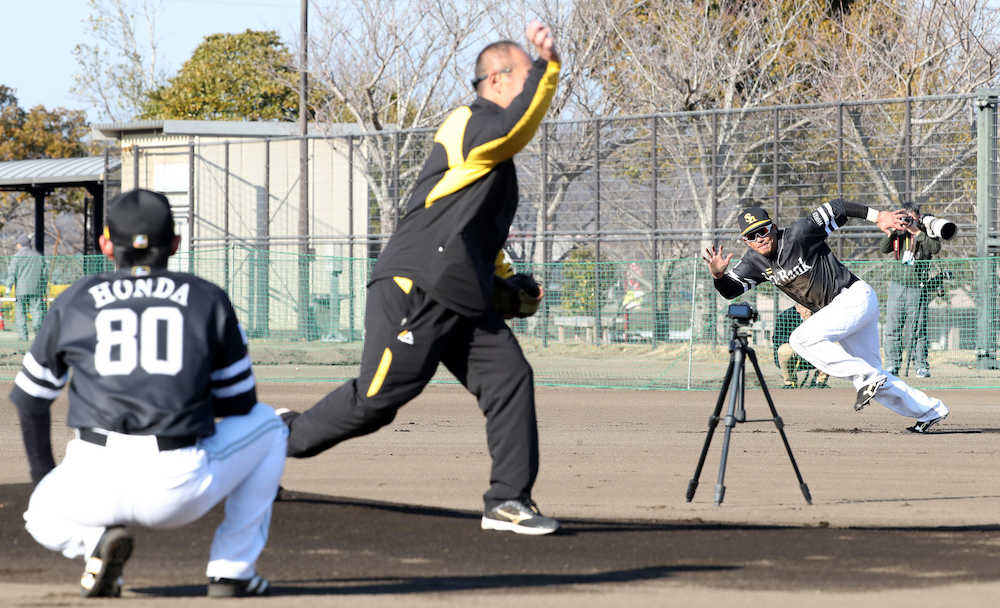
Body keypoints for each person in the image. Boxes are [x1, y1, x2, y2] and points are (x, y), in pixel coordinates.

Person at [279, 21, 561, 535]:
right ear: (497, 80)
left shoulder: (497, 160)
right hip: (417, 286)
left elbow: (475, 242)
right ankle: (268, 443)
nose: (531, 86)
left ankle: (508, 500)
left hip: (460, 293)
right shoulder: (471, 122)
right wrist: (548, 66)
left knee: (510, 377)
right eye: (524, 74)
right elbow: (521, 124)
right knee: (375, 402)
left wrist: (509, 291)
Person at [11, 189, 287, 598]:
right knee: (269, 424)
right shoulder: (207, 298)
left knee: (40, 513)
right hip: (176, 487)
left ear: (106, 245)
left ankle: (94, 545)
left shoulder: (75, 300)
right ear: (175, 244)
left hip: (90, 482)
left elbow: (30, 399)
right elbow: (239, 406)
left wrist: (43, 479)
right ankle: (232, 570)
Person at [703, 200, 950, 433]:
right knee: (876, 380)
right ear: (745, 241)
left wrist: (879, 216)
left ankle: (867, 377)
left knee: (801, 339)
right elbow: (730, 291)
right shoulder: (754, 262)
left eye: (763, 230)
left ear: (773, 227)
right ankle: (930, 411)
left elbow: (838, 207)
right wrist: (718, 276)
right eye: (751, 236)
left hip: (853, 298)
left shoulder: (799, 234)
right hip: (840, 311)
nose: (760, 238)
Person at [878, 203, 941, 378]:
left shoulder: (926, 232)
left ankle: (921, 365)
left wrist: (916, 232)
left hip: (917, 287)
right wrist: (891, 232)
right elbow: (883, 249)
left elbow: (935, 248)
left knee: (918, 329)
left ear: (918, 218)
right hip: (897, 286)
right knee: (892, 328)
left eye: (911, 218)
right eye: (904, 218)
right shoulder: (898, 233)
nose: (907, 221)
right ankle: (892, 364)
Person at [773, 303, 829, 389]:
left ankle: (819, 382)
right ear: (797, 308)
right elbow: (777, 340)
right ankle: (789, 383)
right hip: (794, 353)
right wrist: (797, 345)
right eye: (805, 308)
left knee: (832, 346)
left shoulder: (819, 315)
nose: (809, 311)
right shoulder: (785, 316)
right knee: (784, 350)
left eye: (810, 308)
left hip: (814, 353)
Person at [3, 233, 47, 340]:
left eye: (17, 244)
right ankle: (38, 334)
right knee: (36, 311)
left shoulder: (17, 257)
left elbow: (12, 273)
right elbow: (44, 274)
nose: (16, 246)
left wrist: (8, 287)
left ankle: (23, 337)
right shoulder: (38, 256)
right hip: (36, 289)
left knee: (20, 313)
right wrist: (43, 288)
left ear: (21, 244)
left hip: (21, 291)